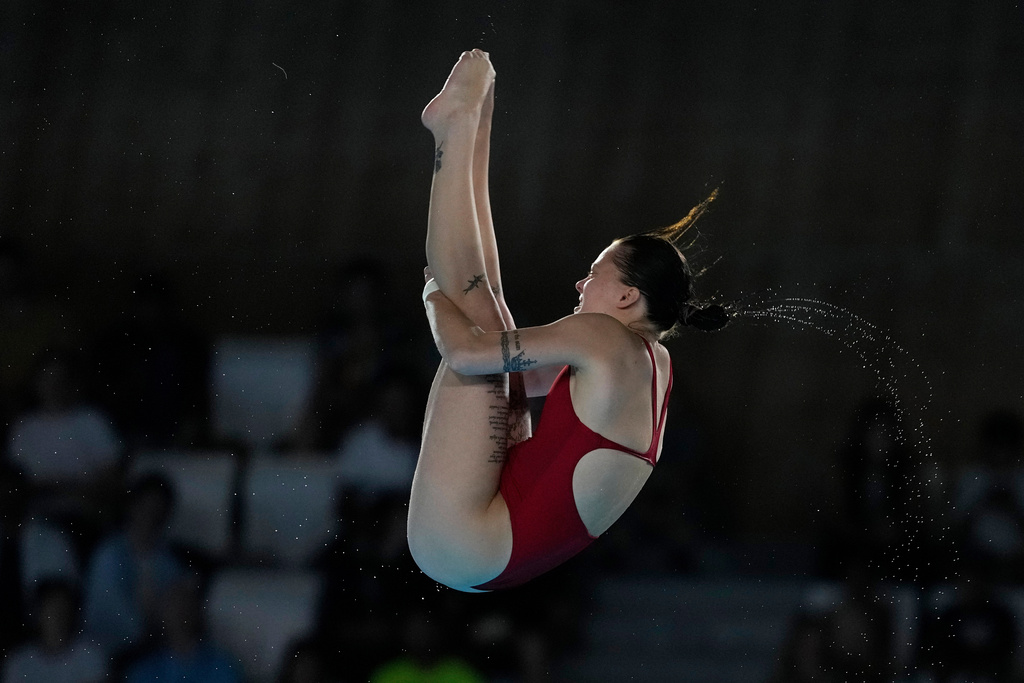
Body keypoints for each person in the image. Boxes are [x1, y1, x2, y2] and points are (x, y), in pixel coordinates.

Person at [407, 50, 728, 593]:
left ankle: (458, 128)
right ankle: (471, 123)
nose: (581, 285)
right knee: (495, 319)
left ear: (627, 296)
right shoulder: (655, 367)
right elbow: (511, 375)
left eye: (593, 273)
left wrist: (434, 293)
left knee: (480, 316)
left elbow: (464, 353)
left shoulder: (604, 337)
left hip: (464, 538)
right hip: (481, 561)